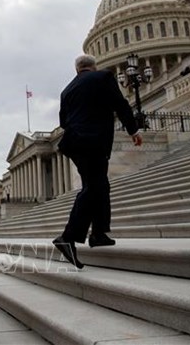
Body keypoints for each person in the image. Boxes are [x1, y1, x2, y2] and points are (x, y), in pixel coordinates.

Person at [55, 55, 142, 269]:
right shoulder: (103, 77)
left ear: (77, 70)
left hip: (74, 141)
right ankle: (67, 236)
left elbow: (63, 121)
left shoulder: (66, 90)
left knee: (99, 185)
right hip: (93, 140)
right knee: (95, 186)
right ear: (94, 67)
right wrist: (133, 129)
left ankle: (99, 233)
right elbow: (120, 104)